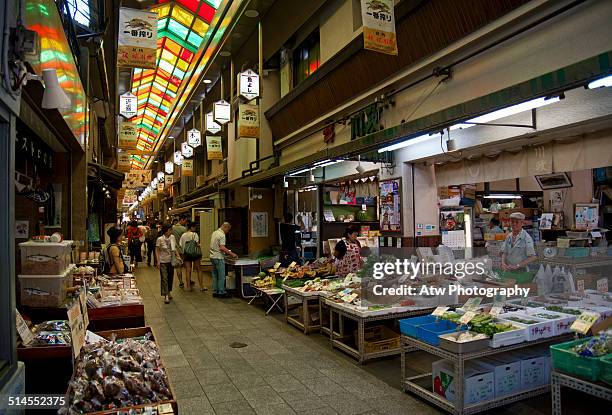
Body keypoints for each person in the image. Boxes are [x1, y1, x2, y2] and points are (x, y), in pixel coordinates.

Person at [210, 222, 237, 298]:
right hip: (219, 257)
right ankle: (221, 292)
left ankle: (215, 291)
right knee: (221, 276)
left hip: (212, 256)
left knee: (215, 275)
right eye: (228, 230)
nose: (227, 232)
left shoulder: (214, 233)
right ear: (225, 227)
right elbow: (222, 247)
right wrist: (232, 254)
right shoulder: (222, 235)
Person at [180, 221, 206, 292]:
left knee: (188, 269)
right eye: (194, 227)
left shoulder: (183, 235)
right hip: (195, 254)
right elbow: (197, 245)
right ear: (191, 227)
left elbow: (181, 245)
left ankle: (188, 286)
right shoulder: (195, 234)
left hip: (186, 254)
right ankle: (201, 286)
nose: (195, 228)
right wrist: (200, 249)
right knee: (199, 269)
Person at [156, 223, 177, 304]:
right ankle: (166, 295)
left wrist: (178, 256)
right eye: (170, 230)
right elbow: (157, 250)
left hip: (171, 261)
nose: (171, 231)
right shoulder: (160, 239)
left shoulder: (172, 237)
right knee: (164, 278)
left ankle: (169, 292)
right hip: (163, 261)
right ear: (166, 231)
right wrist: (158, 261)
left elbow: (174, 248)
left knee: (170, 277)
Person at [172, 216, 189, 287]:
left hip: (176, 249)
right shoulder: (184, 229)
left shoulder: (172, 228)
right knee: (187, 266)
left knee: (178, 267)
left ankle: (181, 281)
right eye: (185, 221)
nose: (185, 223)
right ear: (181, 220)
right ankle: (188, 280)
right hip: (183, 249)